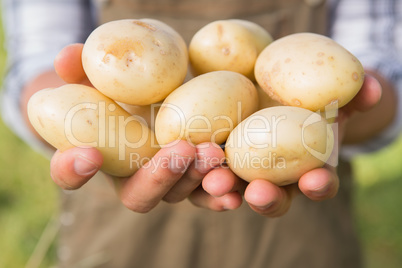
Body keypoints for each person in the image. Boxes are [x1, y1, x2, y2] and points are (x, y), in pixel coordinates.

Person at [1, 0, 401, 267]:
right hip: (117, 214)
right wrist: (67, 118)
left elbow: (380, 63)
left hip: (301, 219)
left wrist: (345, 116)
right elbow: (37, 57)